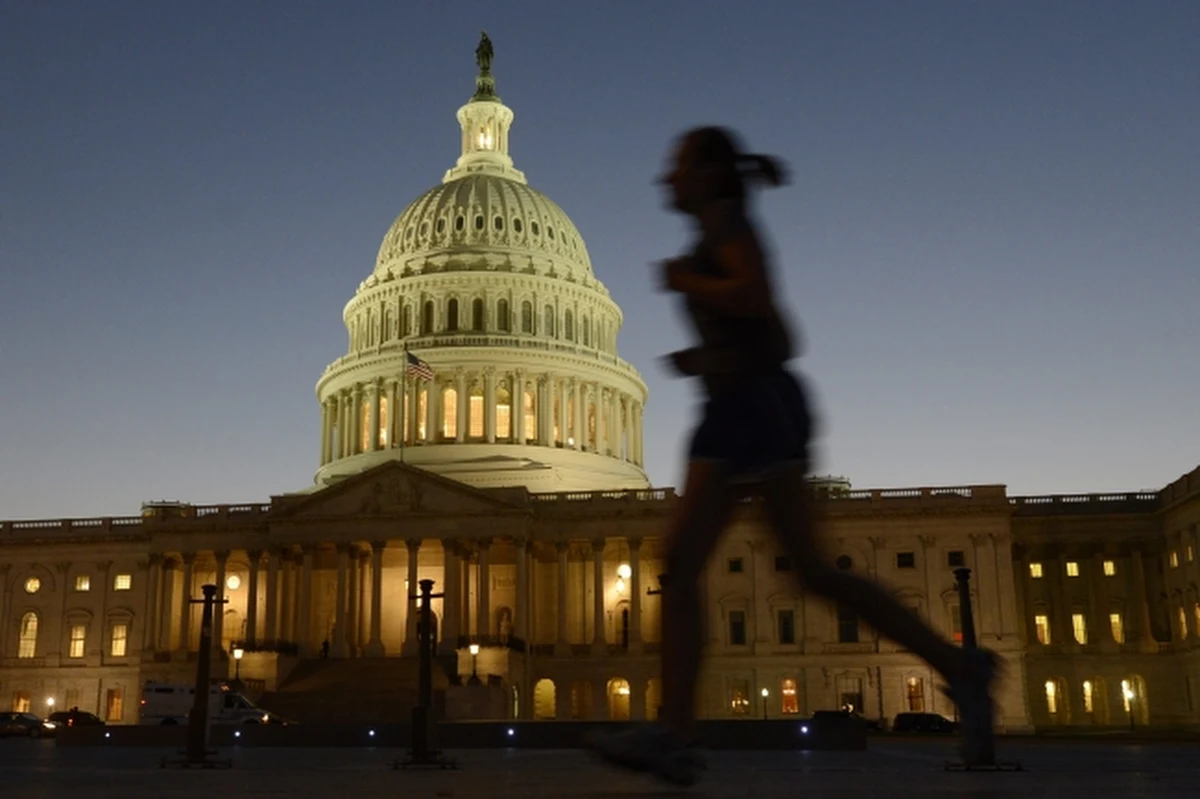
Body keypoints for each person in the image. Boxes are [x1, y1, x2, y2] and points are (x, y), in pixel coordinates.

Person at [588, 126, 999, 785]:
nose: (667, 177)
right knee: (728, 564)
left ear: (709, 175)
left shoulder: (727, 228)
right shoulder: (720, 226)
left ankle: (675, 732)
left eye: (679, 166)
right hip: (735, 407)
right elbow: (755, 319)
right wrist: (704, 354)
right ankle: (677, 731)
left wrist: (688, 282)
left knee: (776, 568)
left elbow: (761, 306)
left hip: (758, 406)